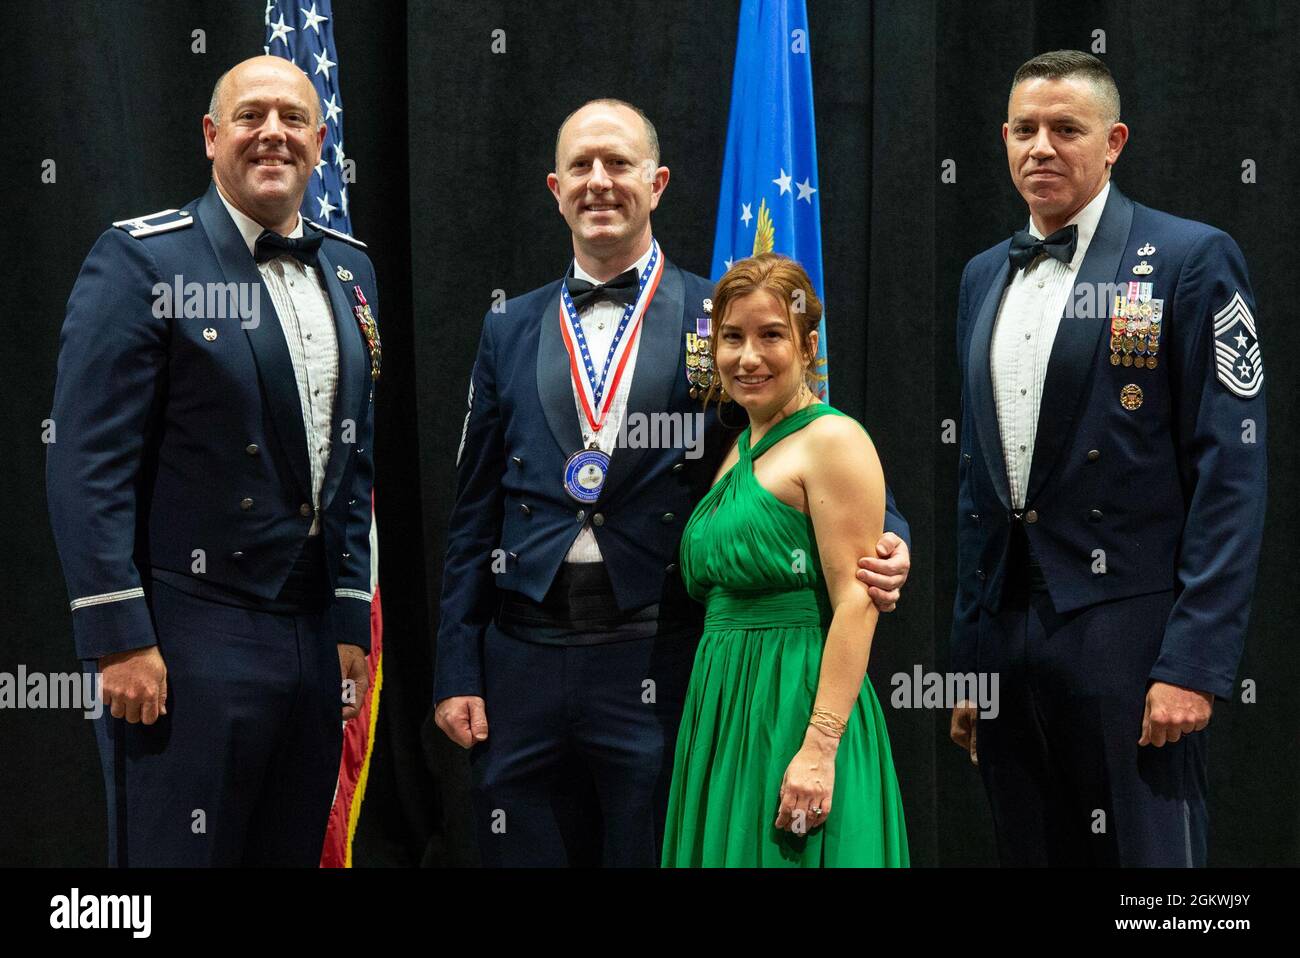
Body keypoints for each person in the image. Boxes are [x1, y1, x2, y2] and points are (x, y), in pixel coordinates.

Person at [434, 98, 913, 867]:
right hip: (520, 659)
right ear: (553, 188)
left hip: (655, 660)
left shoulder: (719, 319)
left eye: (619, 164)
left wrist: (893, 537)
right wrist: (457, 666)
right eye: (581, 166)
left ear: (656, 183)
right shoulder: (508, 326)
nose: (600, 182)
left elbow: (803, 436)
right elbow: (473, 512)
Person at [46, 55, 378, 866]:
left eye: (293, 119)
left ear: (320, 139)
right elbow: (87, 461)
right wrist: (118, 635)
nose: (273, 133)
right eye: (250, 115)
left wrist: (342, 619)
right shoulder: (144, 260)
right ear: (210, 135)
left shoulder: (350, 266)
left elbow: (352, 455)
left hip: (307, 635)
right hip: (185, 629)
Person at [949, 51, 1267, 866]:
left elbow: (1230, 474)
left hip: (1131, 634)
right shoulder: (983, 273)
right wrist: (968, 658)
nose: (1041, 148)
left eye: (1066, 129)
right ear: (1004, 138)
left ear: (1114, 140)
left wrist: (1194, 661)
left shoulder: (1192, 258)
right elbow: (976, 484)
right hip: (1007, 634)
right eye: (1025, 129)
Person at [661, 254, 909, 867]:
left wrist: (820, 747)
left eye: (771, 335)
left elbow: (857, 599)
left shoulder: (832, 439)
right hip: (722, 709)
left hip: (795, 706)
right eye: (733, 337)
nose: (748, 357)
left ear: (807, 343)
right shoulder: (735, 445)